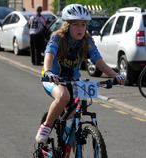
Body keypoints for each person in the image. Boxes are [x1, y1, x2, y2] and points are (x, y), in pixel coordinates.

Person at [35, 4, 126, 144]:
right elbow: (49, 56)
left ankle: (72, 148)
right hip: (52, 78)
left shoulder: (87, 41)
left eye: (83, 24)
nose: (80, 28)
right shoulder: (57, 38)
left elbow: (99, 62)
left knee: (74, 121)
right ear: (67, 25)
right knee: (64, 96)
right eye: (75, 24)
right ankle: (45, 127)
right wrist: (48, 72)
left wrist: (115, 76)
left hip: (72, 80)